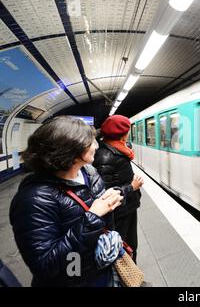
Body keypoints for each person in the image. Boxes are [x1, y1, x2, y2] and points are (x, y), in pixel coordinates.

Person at [9, 116, 123, 287]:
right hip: (76, 280)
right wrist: (92, 216)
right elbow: (45, 265)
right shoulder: (34, 199)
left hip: (101, 266)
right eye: (91, 142)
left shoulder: (89, 172)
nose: (97, 146)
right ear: (72, 150)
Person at [93, 115, 143, 262]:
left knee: (130, 244)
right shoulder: (106, 156)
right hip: (119, 212)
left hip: (126, 206)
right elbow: (106, 192)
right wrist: (132, 187)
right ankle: (129, 280)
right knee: (125, 246)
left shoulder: (114, 148)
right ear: (123, 133)